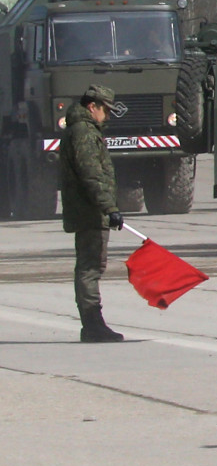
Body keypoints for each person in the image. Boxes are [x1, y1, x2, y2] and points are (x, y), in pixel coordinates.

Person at [60, 84, 124, 343]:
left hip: (89, 209)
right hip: (89, 211)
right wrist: (110, 208)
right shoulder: (84, 133)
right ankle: (92, 325)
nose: (106, 116)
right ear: (92, 106)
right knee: (89, 268)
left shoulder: (83, 130)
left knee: (91, 266)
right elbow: (91, 175)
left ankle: (93, 323)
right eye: (104, 110)